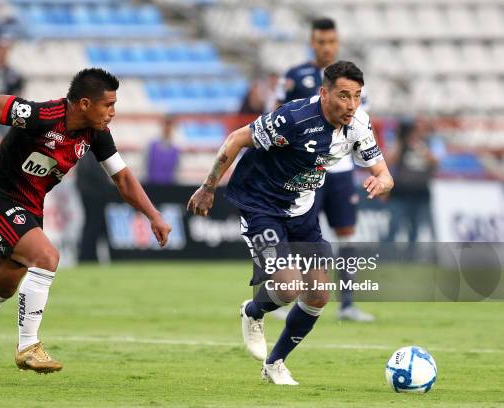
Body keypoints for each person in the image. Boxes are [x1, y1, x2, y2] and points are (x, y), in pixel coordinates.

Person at [0, 68, 172, 379]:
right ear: (85, 104)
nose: (113, 113)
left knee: (2, 287)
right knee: (47, 257)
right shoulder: (41, 115)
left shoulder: (96, 134)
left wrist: (153, 215)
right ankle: (28, 347)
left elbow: (123, 178)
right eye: (108, 105)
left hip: (31, 209)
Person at [187, 61, 393, 385]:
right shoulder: (293, 118)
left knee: (318, 296)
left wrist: (382, 182)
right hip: (261, 207)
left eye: (356, 96)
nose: (351, 105)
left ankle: (275, 363)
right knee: (287, 285)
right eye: (343, 96)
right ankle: (253, 311)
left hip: (302, 211)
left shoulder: (358, 125)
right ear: (324, 94)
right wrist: (209, 186)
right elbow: (237, 138)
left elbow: (384, 173)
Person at [276, 17, 374, 321]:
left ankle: (347, 303)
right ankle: (293, 298)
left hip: (342, 171)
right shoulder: (295, 76)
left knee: (346, 233)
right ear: (312, 42)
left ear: (338, 42)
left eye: (332, 41)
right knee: (302, 235)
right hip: (305, 171)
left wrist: (374, 168)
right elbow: (279, 116)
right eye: (321, 42)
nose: (327, 47)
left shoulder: (351, 80)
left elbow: (361, 124)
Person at [386, 118, 438, 246]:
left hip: (420, 191)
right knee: (395, 223)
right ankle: (387, 253)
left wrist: (421, 148)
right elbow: (390, 160)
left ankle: (411, 255)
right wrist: (400, 141)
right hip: (401, 191)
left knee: (415, 226)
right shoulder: (402, 143)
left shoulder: (430, 142)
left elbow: (436, 161)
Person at [146, 116, 180, 185]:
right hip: (152, 184)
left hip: (169, 185)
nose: (167, 129)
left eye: (170, 127)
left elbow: (175, 169)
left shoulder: (175, 149)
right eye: (166, 126)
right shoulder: (152, 145)